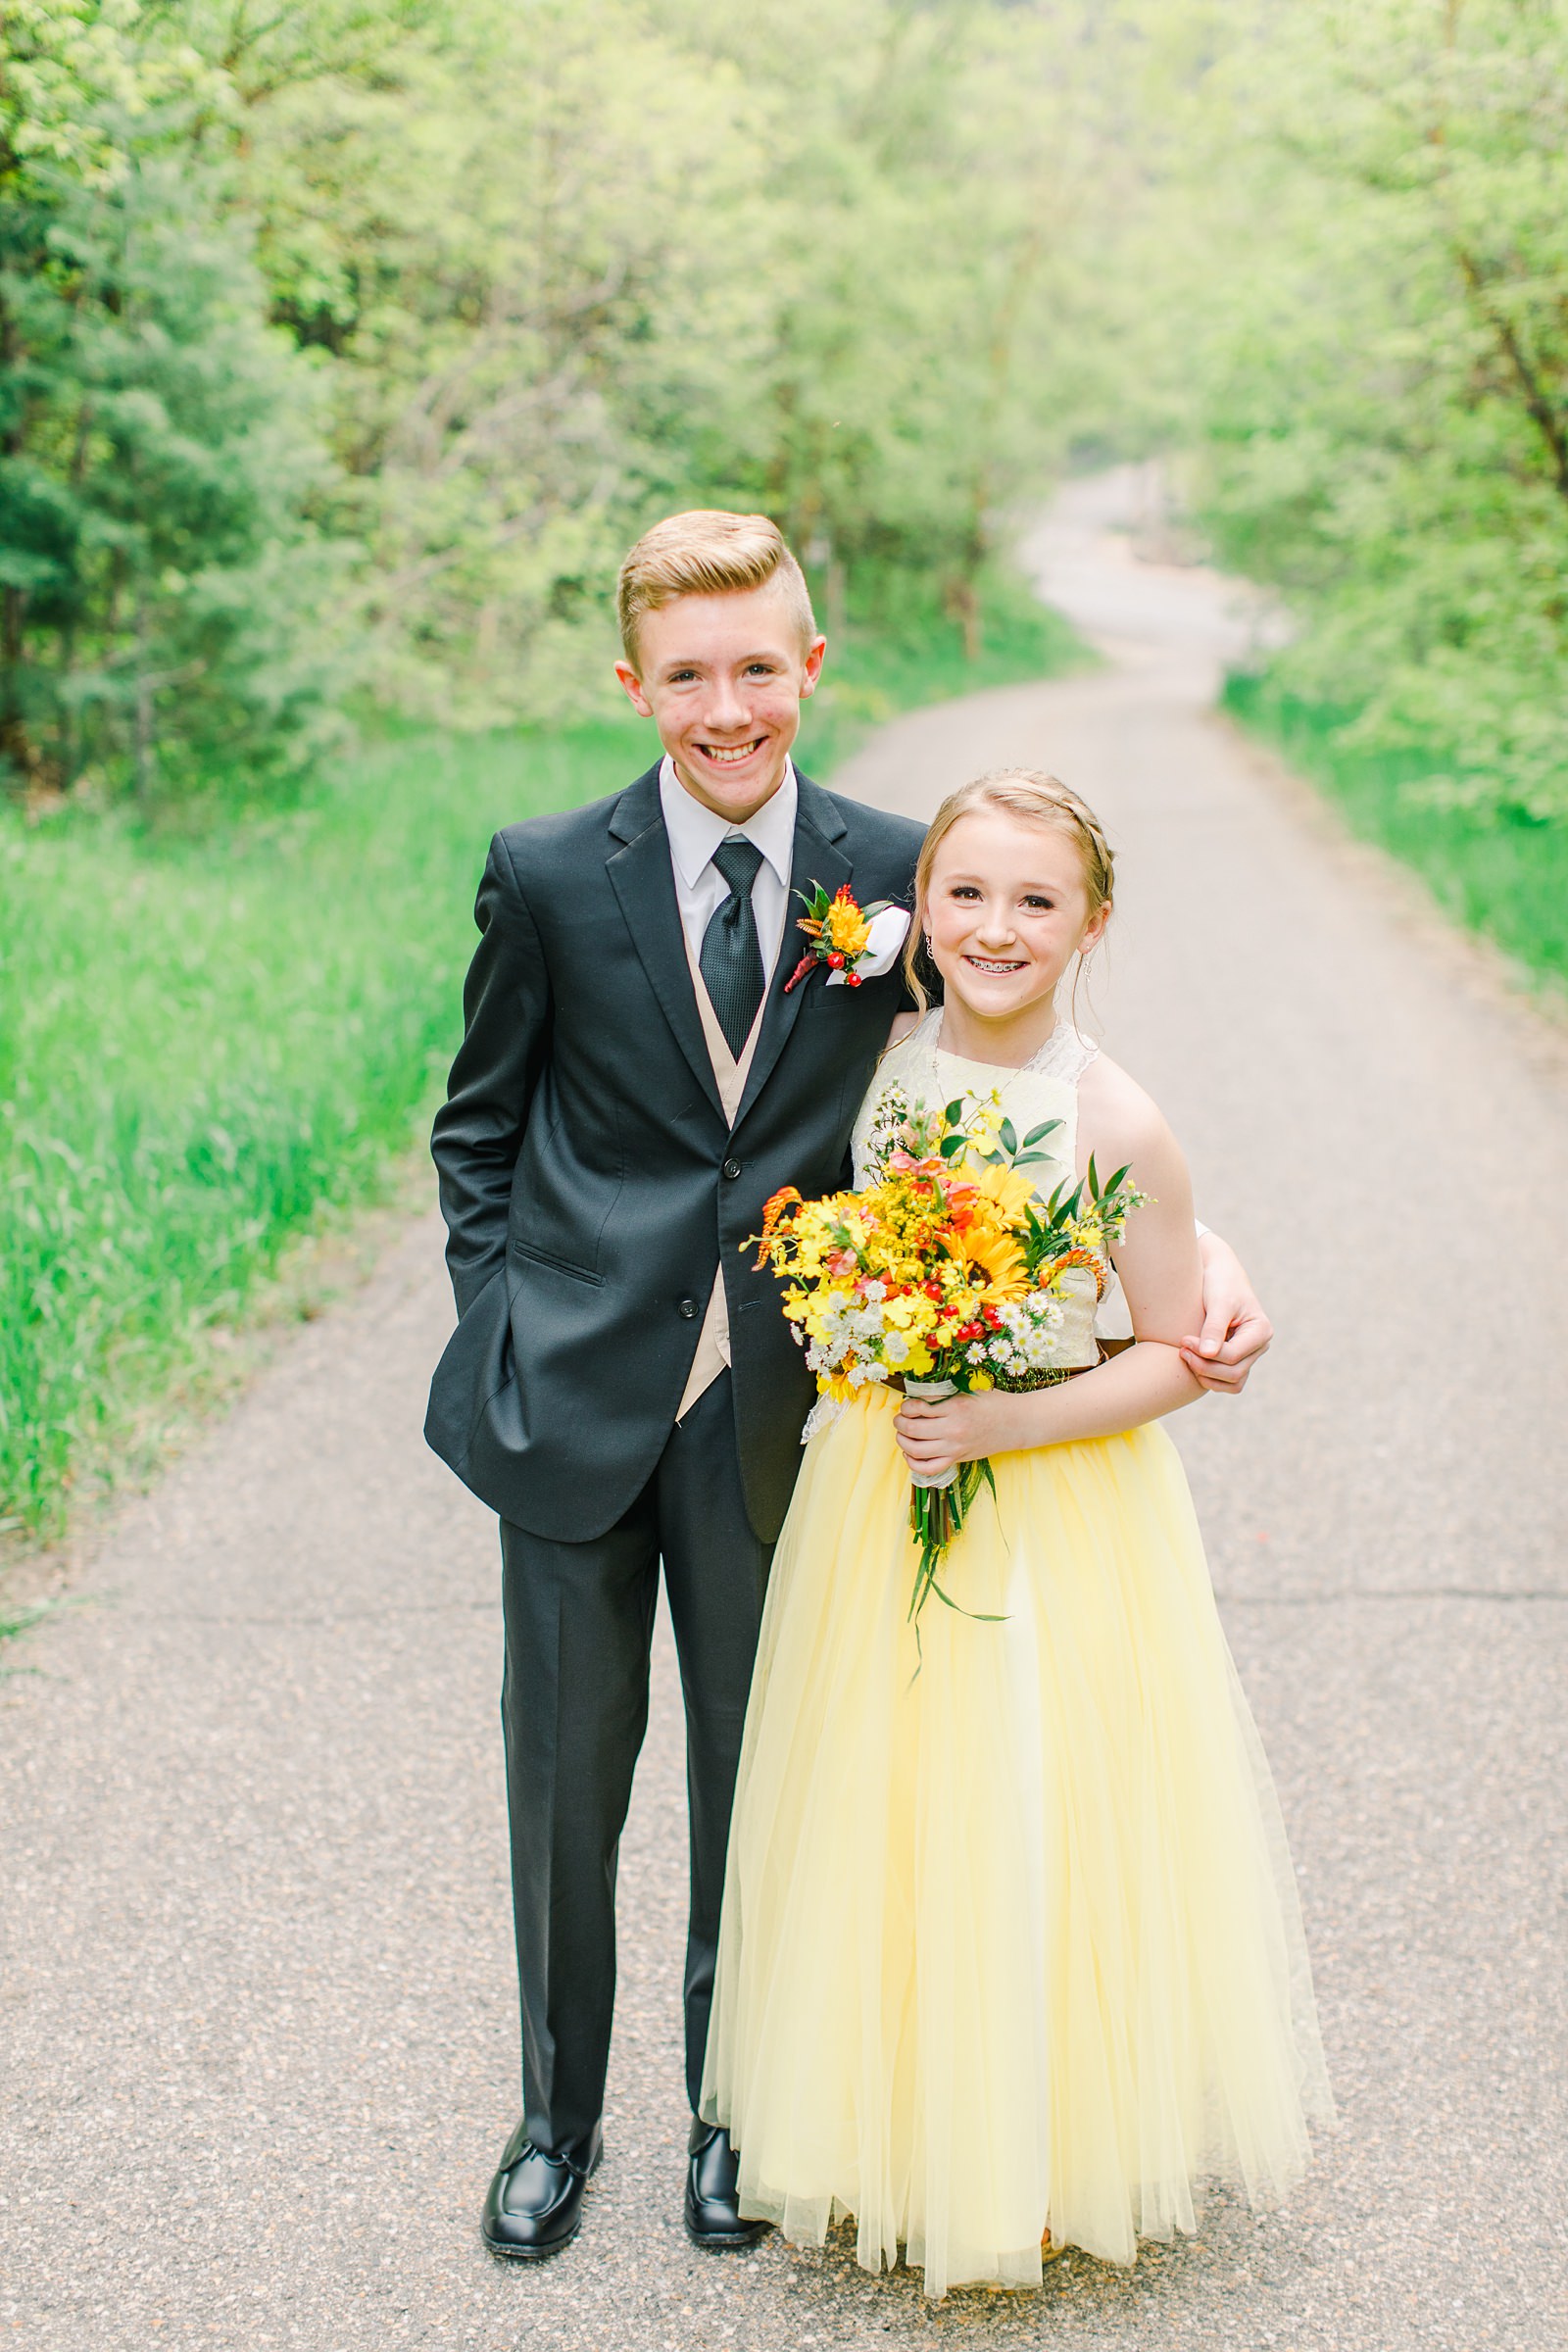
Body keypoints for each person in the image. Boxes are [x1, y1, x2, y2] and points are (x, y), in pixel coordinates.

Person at [424, 514, 1275, 2262]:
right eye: (686, 676)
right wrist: (499, 1327)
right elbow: (480, 1126)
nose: (725, 707)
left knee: (771, 1771)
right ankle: (554, 2121)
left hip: (790, 1423)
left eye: (759, 667)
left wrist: (1211, 1262)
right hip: (572, 1399)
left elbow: (1020, 1067)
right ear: (634, 684)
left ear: (812, 666)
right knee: (567, 1778)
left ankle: (738, 2114)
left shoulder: (905, 873)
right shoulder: (544, 868)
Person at [702, 769, 1333, 2297]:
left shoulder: (1111, 1115)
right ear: (924, 910)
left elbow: (1184, 1347)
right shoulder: (891, 1060)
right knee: (893, 1807)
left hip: (1044, 1492)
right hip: (881, 1479)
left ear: (1091, 923)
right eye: (966, 893)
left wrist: (999, 1424)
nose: (996, 926)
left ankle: (1038, 2150)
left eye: (1036, 901)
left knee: (1031, 1811)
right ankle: (890, 2125)